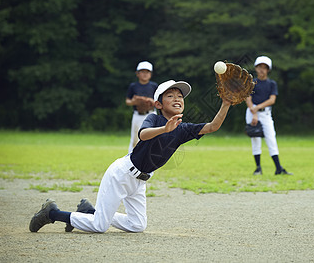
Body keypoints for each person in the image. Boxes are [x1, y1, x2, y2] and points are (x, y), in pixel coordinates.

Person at [29, 80, 232, 233]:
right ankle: (52, 213)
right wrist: (163, 128)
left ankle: (89, 212)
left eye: (180, 96)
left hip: (139, 182)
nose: (177, 99)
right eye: (170, 96)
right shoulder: (153, 118)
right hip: (121, 175)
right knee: (100, 227)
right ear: (159, 104)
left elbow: (213, 126)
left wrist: (226, 104)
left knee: (137, 225)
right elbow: (142, 135)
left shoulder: (183, 129)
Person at [245, 56, 292, 176]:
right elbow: (248, 98)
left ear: (268, 70)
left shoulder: (271, 84)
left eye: (264, 67)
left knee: (271, 139)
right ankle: (258, 168)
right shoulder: (251, 83)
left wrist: (257, 107)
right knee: (255, 140)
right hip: (252, 113)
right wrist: (254, 112)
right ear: (256, 68)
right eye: (259, 67)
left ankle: (278, 168)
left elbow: (272, 100)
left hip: (265, 114)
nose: (262, 70)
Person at [125, 61, 158, 153]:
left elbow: (159, 102)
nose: (145, 74)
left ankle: (150, 158)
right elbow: (127, 101)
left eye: (147, 72)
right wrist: (133, 102)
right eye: (142, 71)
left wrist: (151, 101)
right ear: (137, 73)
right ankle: (131, 158)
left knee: (151, 137)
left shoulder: (154, 86)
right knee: (135, 139)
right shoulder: (133, 86)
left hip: (151, 114)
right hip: (137, 115)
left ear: (151, 74)